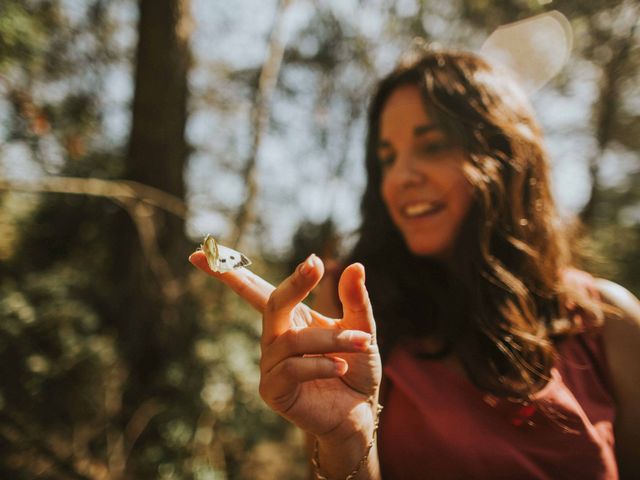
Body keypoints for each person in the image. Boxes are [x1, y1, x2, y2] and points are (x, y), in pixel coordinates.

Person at [189, 49, 640, 479]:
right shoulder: (358, 315)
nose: (400, 178)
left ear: (505, 157)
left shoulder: (611, 323)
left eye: (432, 145)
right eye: (387, 158)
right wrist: (348, 437)